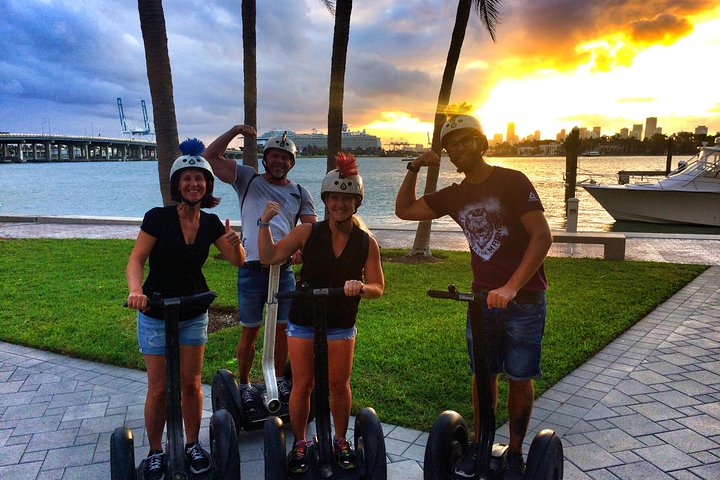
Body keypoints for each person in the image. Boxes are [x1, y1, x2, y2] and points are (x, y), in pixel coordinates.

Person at [395, 114, 552, 480]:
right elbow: (404, 210)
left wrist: (512, 287)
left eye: (466, 141)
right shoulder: (455, 194)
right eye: (452, 146)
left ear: (482, 143)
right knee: (483, 376)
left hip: (524, 301)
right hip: (482, 302)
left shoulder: (513, 181)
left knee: (519, 376)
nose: (458, 149)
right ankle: (481, 446)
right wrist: (414, 166)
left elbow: (542, 237)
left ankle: (514, 453)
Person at [126, 138, 245, 480]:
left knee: (192, 385)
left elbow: (238, 262)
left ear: (208, 186)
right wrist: (136, 290)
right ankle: (154, 451)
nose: (194, 184)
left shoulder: (210, 223)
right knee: (159, 388)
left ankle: (193, 444)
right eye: (187, 179)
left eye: (201, 179)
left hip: (193, 310)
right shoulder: (157, 218)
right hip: (155, 310)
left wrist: (236, 245)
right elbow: (136, 259)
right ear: (177, 184)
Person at [258, 153, 385, 475]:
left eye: (347, 199)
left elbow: (378, 287)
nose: (340, 204)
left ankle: (340, 439)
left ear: (356, 202)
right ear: (326, 201)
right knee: (303, 385)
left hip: (341, 322)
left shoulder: (366, 242)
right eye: (335, 198)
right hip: (304, 319)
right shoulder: (307, 232)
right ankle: (301, 441)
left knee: (339, 385)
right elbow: (269, 257)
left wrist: (360, 287)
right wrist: (263, 224)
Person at [203, 126, 317, 414]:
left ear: (292, 163)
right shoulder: (247, 179)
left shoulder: (300, 193)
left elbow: (310, 230)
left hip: (284, 270)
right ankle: (244, 385)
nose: (279, 162)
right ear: (266, 159)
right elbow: (209, 156)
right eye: (274, 156)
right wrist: (236, 131)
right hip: (252, 269)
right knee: (250, 332)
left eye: (285, 158)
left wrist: (301, 251)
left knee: (281, 332)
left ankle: (276, 382)